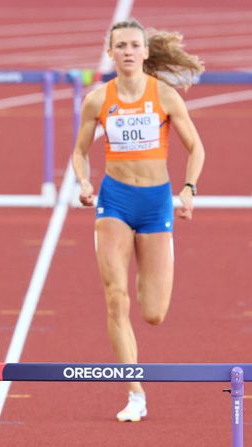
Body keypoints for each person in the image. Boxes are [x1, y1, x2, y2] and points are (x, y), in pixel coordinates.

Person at [71, 20, 204, 422]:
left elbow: (196, 147)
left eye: (134, 45)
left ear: (145, 52)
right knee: (116, 299)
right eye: (120, 46)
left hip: (156, 204)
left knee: (153, 312)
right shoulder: (98, 100)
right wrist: (83, 181)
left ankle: (156, 255)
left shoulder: (164, 96)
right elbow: (79, 151)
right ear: (110, 54)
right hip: (114, 202)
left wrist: (189, 190)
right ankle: (135, 392)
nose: (127, 52)